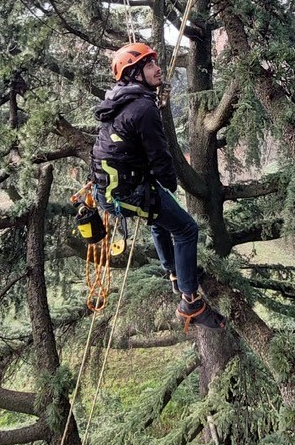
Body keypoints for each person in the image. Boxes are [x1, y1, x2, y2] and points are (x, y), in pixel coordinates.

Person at [92, 41, 225, 331]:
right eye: (150, 65)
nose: (158, 68)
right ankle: (190, 301)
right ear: (135, 74)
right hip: (127, 191)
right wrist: (169, 184)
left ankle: (175, 273)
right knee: (186, 228)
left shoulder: (120, 100)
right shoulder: (142, 107)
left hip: (114, 189)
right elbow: (159, 154)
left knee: (158, 218)